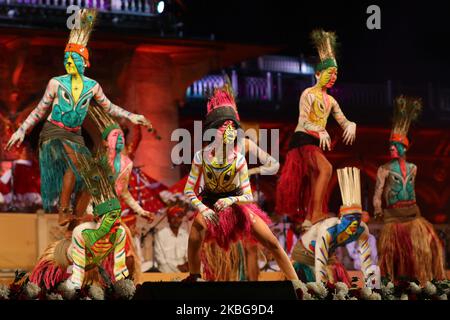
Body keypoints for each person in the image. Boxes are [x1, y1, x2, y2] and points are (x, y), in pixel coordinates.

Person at [4, 9, 151, 228]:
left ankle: (77, 212)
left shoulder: (93, 87)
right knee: (75, 163)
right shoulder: (56, 82)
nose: (69, 62)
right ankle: (63, 211)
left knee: (89, 170)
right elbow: (39, 110)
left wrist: (133, 116)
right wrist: (22, 130)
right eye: (66, 58)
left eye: (73, 58)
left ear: (84, 62)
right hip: (55, 130)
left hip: (74, 134)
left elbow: (109, 107)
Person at [183, 84, 302, 291]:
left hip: (238, 203)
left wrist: (249, 177)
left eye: (231, 126)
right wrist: (203, 208)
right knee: (196, 232)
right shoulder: (202, 156)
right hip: (211, 203)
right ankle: (194, 276)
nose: (228, 130)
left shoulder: (242, 150)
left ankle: (298, 284)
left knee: (271, 242)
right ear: (214, 130)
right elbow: (189, 189)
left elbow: (268, 169)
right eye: (223, 126)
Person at [276, 29, 356, 230]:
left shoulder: (331, 101)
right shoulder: (308, 94)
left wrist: (351, 125)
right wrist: (320, 131)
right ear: (318, 73)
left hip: (314, 142)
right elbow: (303, 121)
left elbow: (343, 120)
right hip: (303, 140)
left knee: (315, 178)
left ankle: (309, 219)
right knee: (326, 169)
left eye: (336, 74)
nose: (333, 77)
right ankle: (316, 212)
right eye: (330, 73)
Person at [373, 96, 445, 283]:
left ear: (403, 148)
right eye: (390, 146)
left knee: (425, 248)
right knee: (391, 254)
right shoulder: (384, 169)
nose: (391, 149)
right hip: (393, 218)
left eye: (394, 146)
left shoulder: (414, 168)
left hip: (413, 216)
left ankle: (424, 282)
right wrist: (377, 208)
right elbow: (378, 193)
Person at [291, 167, 379, 288]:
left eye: (357, 220)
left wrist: (371, 288)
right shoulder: (328, 228)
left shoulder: (361, 229)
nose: (354, 224)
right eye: (350, 219)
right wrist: (321, 289)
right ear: (341, 219)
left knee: (339, 282)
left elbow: (367, 260)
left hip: (328, 256)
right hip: (305, 255)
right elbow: (320, 261)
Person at [154, 206, 189, 273]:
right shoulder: (161, 234)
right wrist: (177, 266)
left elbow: (189, 255)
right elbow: (160, 258)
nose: (176, 220)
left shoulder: (185, 235)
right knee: (164, 267)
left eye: (179, 217)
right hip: (168, 268)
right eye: (173, 217)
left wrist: (187, 264)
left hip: (183, 267)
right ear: (168, 219)